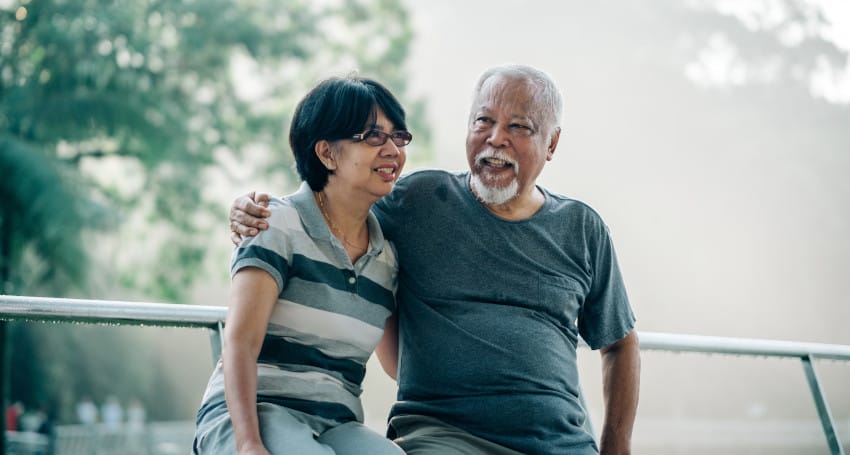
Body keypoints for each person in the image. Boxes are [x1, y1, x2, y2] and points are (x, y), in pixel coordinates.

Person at [229, 64, 640, 455]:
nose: (496, 138)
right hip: (442, 436)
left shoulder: (582, 228)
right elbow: (333, 204)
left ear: (551, 144)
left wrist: (616, 448)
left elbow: (620, 345)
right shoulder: (418, 201)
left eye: (518, 126)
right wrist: (252, 208)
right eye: (483, 121)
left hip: (561, 443)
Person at [194, 75, 410, 455]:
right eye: (374, 136)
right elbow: (240, 343)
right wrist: (247, 444)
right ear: (326, 153)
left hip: (335, 424)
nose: (392, 149)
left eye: (398, 136)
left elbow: (399, 367)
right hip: (256, 413)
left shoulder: (387, 259)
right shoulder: (275, 224)